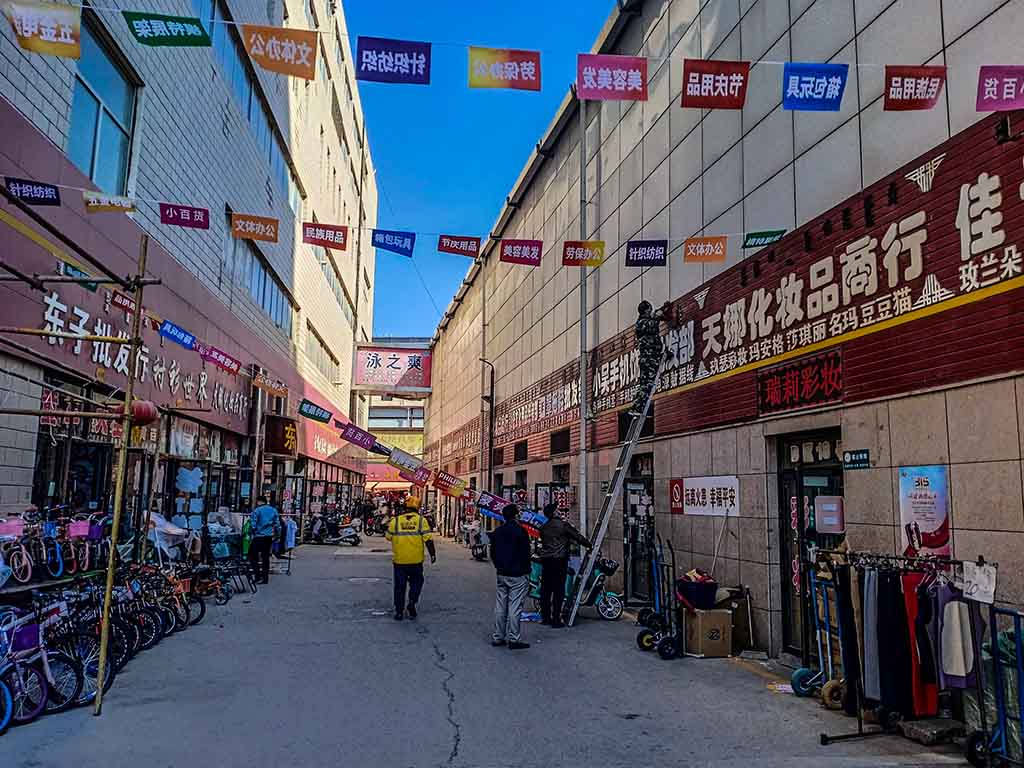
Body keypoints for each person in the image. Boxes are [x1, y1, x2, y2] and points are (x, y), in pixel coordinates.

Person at [538, 503, 591, 628]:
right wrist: (589, 545)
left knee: (546, 590)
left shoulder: (543, 528)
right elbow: (578, 537)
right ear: (554, 513)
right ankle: (556, 619)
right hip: (559, 561)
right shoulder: (563, 525)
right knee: (558, 590)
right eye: (557, 509)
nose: (559, 511)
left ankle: (546, 617)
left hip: (546, 561)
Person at [489, 504, 533, 650]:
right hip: (518, 574)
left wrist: (499, 566)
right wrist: (527, 570)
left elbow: (492, 553)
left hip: (502, 573)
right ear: (515, 515)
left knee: (500, 605)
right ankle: (514, 638)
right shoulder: (521, 531)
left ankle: (498, 636)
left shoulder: (498, 532)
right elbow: (526, 553)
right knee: (515, 606)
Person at [386, 496, 436, 620]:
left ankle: (399, 611)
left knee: (400, 586)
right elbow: (428, 539)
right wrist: (432, 554)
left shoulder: (395, 521)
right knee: (416, 583)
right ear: (417, 507)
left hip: (399, 561)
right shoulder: (421, 521)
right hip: (416, 561)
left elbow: (388, 537)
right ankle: (412, 603)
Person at [628, 300, 673, 417]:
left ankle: (637, 407)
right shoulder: (642, 323)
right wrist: (659, 314)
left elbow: (655, 317)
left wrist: (662, 309)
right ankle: (638, 407)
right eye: (649, 309)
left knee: (645, 384)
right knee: (648, 384)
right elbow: (652, 324)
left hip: (651, 357)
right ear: (646, 310)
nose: (651, 311)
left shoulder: (644, 321)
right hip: (648, 358)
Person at [249, 496, 280, 585]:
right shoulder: (273, 510)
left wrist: (252, 533)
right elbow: (277, 525)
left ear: (259, 501)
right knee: (265, 557)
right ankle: (265, 578)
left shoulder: (257, 511)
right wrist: (277, 536)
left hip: (258, 536)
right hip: (268, 537)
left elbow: (253, 525)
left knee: (252, 556)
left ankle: (257, 576)